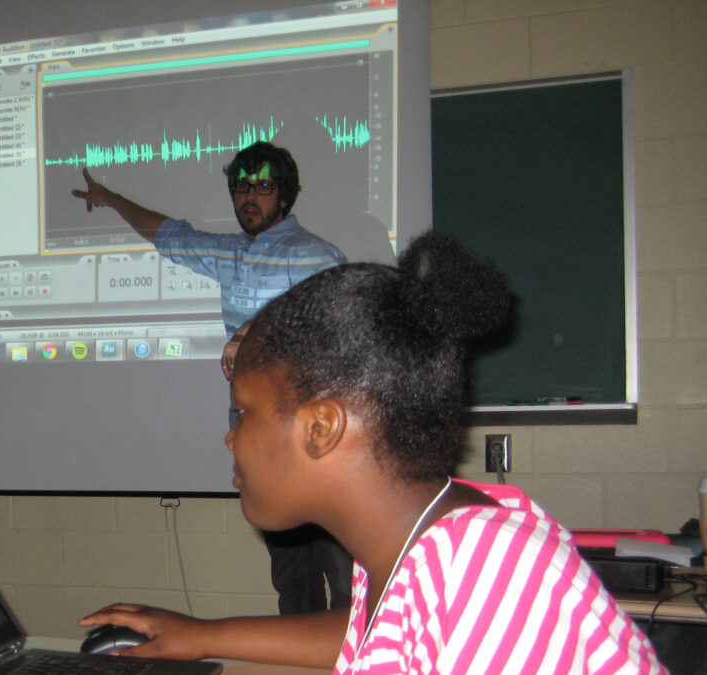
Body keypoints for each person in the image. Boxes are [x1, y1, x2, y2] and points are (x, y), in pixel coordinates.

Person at [79, 233, 664, 673]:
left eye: (243, 412)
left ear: (321, 427)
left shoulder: (485, 568)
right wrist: (205, 635)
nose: (230, 437)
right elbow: (377, 633)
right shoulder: (418, 545)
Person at [72, 141, 354, 613]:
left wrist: (253, 332)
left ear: (284, 197)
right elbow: (168, 235)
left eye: (263, 186)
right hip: (265, 450)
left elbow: (330, 325)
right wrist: (111, 199)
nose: (249, 196)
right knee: (293, 588)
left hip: (319, 451)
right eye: (241, 185)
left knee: (347, 590)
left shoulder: (313, 254)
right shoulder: (228, 254)